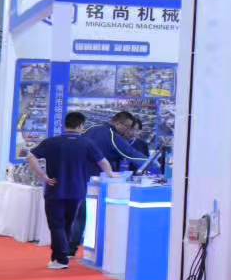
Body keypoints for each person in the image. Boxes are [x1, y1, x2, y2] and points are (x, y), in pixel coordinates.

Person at [29, 112, 114, 270]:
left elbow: (31, 156)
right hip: (77, 190)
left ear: (65, 124)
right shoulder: (87, 143)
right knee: (67, 224)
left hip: (55, 189)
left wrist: (43, 176)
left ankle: (61, 259)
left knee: (56, 224)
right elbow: (103, 162)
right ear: (81, 125)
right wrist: (111, 175)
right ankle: (59, 256)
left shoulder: (51, 142)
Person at [86, 112, 150, 174]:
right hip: (99, 172)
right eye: (127, 126)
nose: (127, 129)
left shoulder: (91, 128)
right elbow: (132, 155)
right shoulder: (113, 136)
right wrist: (152, 165)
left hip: (85, 170)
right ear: (117, 123)